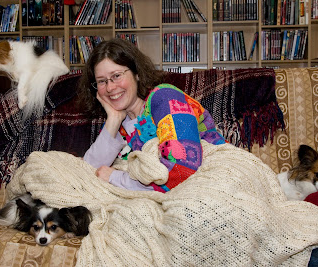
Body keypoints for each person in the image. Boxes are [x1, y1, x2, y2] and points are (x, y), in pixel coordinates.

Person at [79, 38, 226, 193]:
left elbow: (182, 170)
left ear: (137, 73)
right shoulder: (120, 123)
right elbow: (88, 172)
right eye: (102, 81)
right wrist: (113, 119)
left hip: (213, 180)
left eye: (116, 76)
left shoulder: (165, 98)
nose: (110, 87)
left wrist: (116, 178)